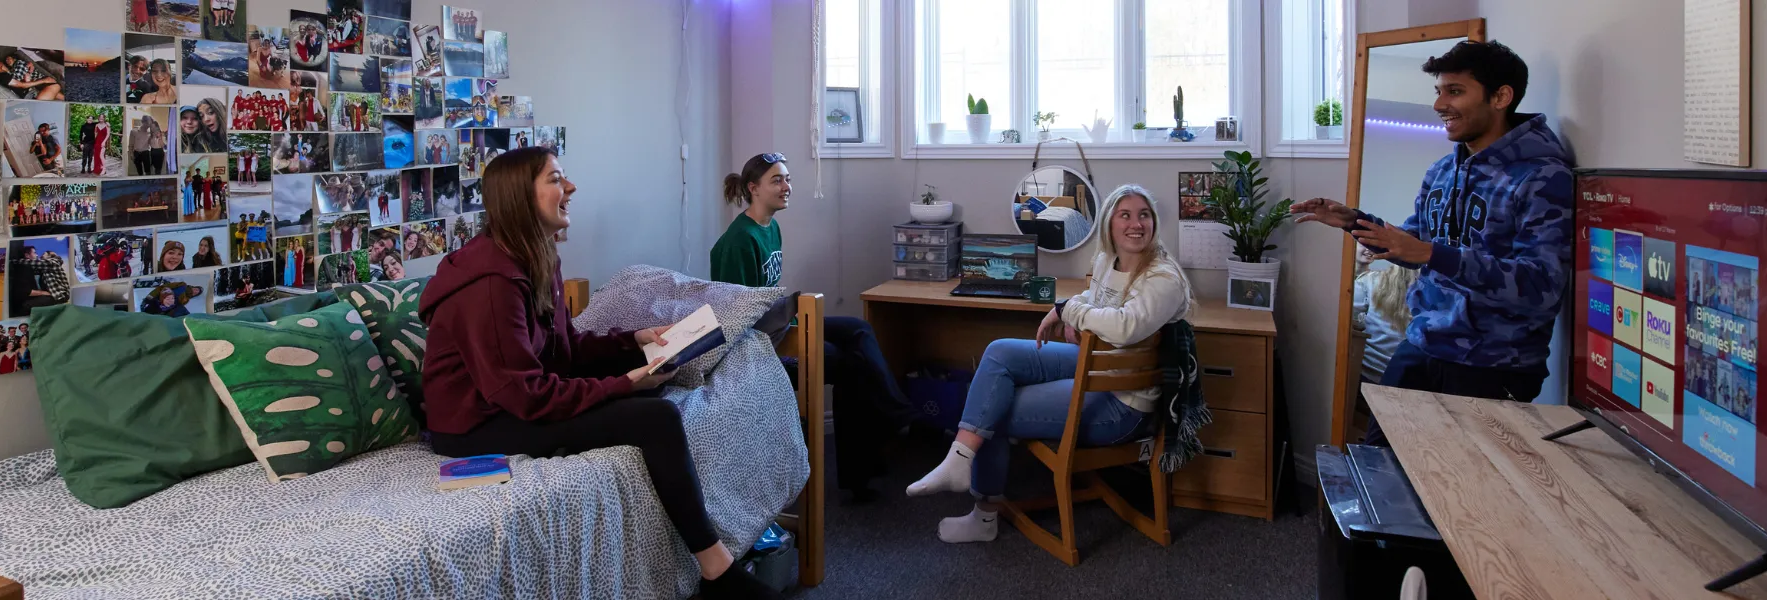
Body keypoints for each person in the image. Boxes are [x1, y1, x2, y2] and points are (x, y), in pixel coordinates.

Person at [418, 147, 779, 599]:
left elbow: (563, 351)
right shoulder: (491, 282)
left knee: (649, 400)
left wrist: (634, 341)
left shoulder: (534, 256)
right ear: (518, 197)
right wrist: (623, 382)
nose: (570, 188)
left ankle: (710, 557)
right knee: (655, 418)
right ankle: (717, 572)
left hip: (512, 399)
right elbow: (526, 395)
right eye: (556, 179)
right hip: (475, 425)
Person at [905, 184, 1193, 544]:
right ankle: (959, 460)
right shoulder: (1108, 260)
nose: (1136, 224)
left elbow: (1124, 328)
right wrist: (1076, 309)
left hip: (1123, 404)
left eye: (1144, 215)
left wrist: (1065, 309)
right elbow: (1094, 297)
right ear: (1109, 224)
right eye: (1126, 215)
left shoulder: (1163, 279)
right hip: (1099, 367)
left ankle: (982, 517)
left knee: (991, 405)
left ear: (1153, 223)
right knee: (999, 352)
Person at [1289, 40, 1572, 403]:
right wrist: (1354, 221)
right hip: (1423, 345)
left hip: (1494, 366)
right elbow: (1412, 246)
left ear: (1501, 97)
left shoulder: (1542, 176)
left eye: (1455, 92)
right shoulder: (1441, 171)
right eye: (1438, 92)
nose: (1439, 105)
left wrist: (1434, 254)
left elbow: (1541, 286)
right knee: (1376, 455)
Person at [709, 152, 914, 503]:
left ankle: (895, 413)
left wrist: (788, 314)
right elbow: (736, 316)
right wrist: (786, 327)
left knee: (857, 329)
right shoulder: (738, 242)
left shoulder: (771, 227)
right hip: (761, 344)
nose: (787, 187)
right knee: (851, 366)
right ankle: (864, 467)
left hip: (780, 323)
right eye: (777, 180)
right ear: (753, 188)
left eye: (787, 179)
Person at [1351, 244, 1421, 384]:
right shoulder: (1434, 295)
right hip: (1406, 379)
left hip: (1367, 373)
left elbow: (1350, 322)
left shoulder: (1368, 282)